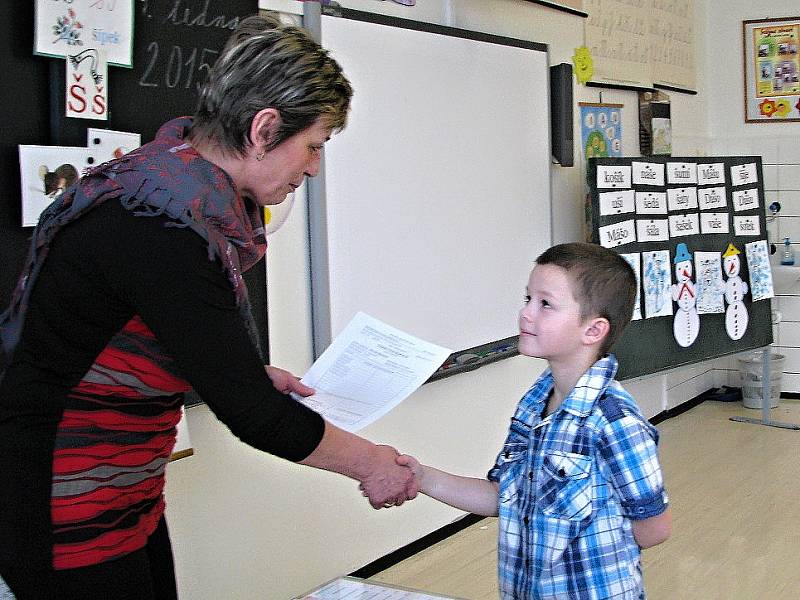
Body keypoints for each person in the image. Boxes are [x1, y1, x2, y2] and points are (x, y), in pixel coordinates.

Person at [0, 14, 417, 600]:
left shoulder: (170, 192)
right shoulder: (164, 227)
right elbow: (255, 417)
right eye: (313, 146)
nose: (314, 168)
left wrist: (244, 373)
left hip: (122, 485)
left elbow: (146, 335)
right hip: (64, 497)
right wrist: (373, 462)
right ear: (265, 129)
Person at [397, 242, 671, 599]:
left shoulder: (615, 423)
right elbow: (504, 498)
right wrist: (423, 477)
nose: (527, 314)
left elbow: (654, 528)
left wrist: (595, 548)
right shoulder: (534, 403)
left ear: (593, 330)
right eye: (528, 299)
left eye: (545, 304)